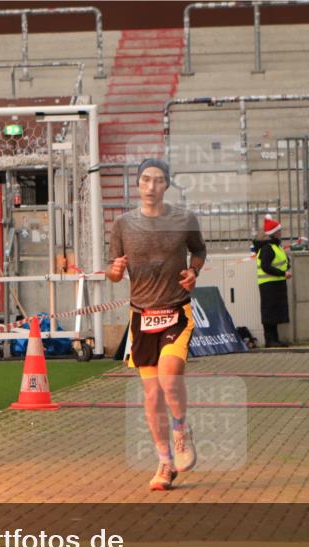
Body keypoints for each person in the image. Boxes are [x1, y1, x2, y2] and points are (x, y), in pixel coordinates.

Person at [107, 158, 207, 491]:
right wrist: (115, 272)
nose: (152, 186)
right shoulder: (122, 225)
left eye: (159, 180)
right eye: (146, 180)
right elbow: (113, 269)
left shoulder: (184, 219)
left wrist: (193, 272)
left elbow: (199, 252)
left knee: (169, 378)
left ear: (167, 185)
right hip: (142, 316)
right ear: (138, 184)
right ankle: (165, 462)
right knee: (152, 395)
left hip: (176, 310)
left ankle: (181, 429)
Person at [253, 215, 291, 348]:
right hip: (269, 285)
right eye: (278, 231)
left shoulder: (276, 246)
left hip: (276, 284)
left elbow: (282, 261)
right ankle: (270, 340)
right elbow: (265, 266)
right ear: (273, 233)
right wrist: (282, 273)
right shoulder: (268, 248)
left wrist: (286, 266)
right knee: (269, 312)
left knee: (274, 313)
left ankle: (275, 339)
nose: (280, 233)